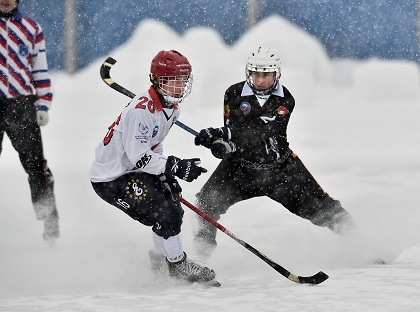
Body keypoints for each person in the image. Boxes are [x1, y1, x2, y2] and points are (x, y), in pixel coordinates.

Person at [193, 46, 353, 258]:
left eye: (266, 75)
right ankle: (199, 260)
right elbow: (235, 131)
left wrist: (224, 133)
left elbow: (259, 130)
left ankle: (364, 243)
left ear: (276, 74)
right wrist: (221, 144)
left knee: (323, 210)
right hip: (240, 168)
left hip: (281, 171)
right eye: (256, 74)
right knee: (205, 204)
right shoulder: (233, 93)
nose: (260, 80)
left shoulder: (285, 100)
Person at [89, 50, 218, 285]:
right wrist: (175, 166)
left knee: (172, 203)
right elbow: (139, 157)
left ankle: (162, 258)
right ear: (157, 81)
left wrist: (165, 172)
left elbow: (154, 146)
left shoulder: (172, 109)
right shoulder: (142, 111)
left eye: (182, 81)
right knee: (164, 212)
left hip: (132, 170)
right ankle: (178, 266)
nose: (178, 88)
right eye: (172, 82)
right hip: (111, 178)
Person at [0, 0, 59, 241]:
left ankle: (49, 220)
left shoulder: (31, 29)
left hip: (21, 105)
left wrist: (43, 103)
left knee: (36, 166)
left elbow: (40, 70)